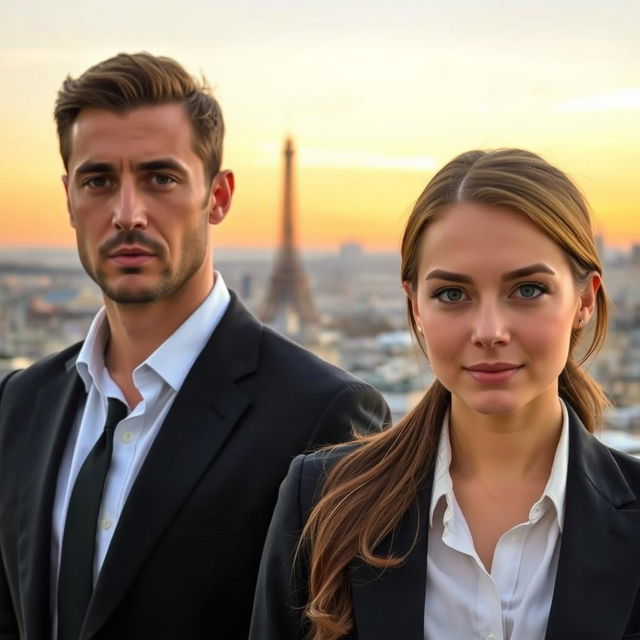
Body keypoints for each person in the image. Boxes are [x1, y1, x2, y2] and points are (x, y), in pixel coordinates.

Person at [0, 52, 390, 639]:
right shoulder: (19, 403)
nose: (127, 214)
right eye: (98, 180)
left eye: (160, 178)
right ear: (70, 200)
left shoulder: (322, 414)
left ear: (219, 195)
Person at [250, 148, 640, 640]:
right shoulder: (321, 501)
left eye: (528, 290)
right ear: (415, 308)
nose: (490, 331)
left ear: (585, 299)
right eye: (452, 294)